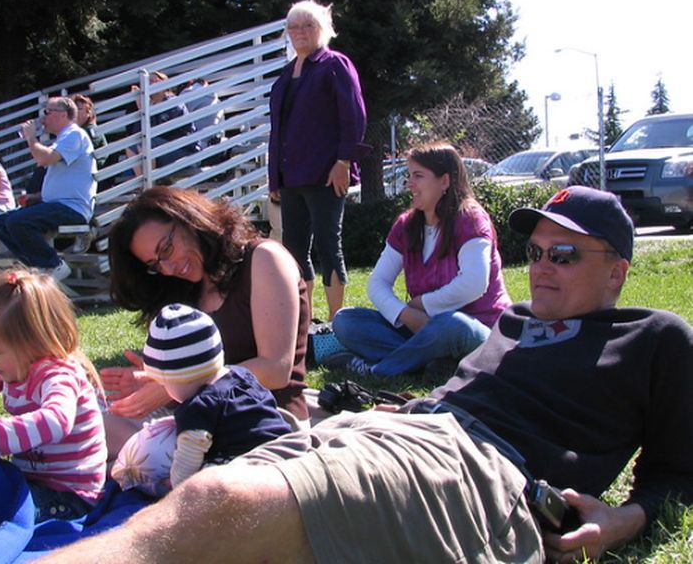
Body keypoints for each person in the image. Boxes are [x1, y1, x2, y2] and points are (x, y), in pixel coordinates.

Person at [40, 186, 693, 563]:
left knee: (226, 504)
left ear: (617, 269)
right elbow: (469, 394)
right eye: (537, 251)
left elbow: (679, 475)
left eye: (567, 254)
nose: (544, 265)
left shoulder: (656, 336)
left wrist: (623, 522)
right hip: (407, 433)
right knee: (217, 492)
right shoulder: (518, 319)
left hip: (485, 472)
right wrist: (397, 413)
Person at [101, 185, 309, 457]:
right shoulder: (185, 289)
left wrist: (167, 389)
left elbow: (275, 369)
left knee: (112, 443)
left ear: (190, 220)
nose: (168, 268)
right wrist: (155, 377)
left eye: (166, 249)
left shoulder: (264, 258)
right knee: (92, 420)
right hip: (200, 421)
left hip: (263, 422)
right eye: (155, 265)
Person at [329, 142, 511, 377]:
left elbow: (475, 283)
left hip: (474, 329)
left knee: (451, 324)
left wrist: (422, 305)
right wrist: (406, 315)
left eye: (418, 176)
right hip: (422, 329)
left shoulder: (471, 218)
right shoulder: (407, 225)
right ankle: (430, 363)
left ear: (444, 181)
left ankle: (378, 370)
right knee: (345, 320)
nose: (409, 184)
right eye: (409, 175)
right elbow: (377, 283)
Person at [0, 269, 107, 522]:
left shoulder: (59, 377)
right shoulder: (20, 366)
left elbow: (55, 421)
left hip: (69, 494)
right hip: (32, 480)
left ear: (33, 343)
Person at [268, 0, 367, 320]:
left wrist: (343, 162)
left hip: (327, 175)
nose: (299, 32)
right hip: (291, 178)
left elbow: (354, 116)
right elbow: (278, 131)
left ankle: (338, 322)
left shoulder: (335, 64)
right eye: (293, 27)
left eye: (307, 25)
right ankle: (305, 323)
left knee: (328, 245)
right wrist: (274, 179)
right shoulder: (285, 75)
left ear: (322, 29)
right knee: (295, 250)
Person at [128, 303, 291, 488]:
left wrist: (176, 489)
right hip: (286, 450)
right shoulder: (241, 375)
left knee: (205, 478)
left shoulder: (198, 407)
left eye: (164, 383)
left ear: (180, 378)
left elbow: (187, 462)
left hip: (252, 469)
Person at [0, 96, 96, 281]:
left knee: (18, 221)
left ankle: (52, 264)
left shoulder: (75, 134)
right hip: (58, 204)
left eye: (47, 112)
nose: (43, 118)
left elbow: (44, 159)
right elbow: (63, 182)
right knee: (1, 222)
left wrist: (31, 138)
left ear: (63, 115)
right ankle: (36, 266)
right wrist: (36, 197)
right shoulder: (63, 139)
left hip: (73, 208)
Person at [125, 71, 197, 177]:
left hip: (183, 151)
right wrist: (142, 110)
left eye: (155, 80)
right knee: (130, 144)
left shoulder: (172, 103)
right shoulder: (146, 105)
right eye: (148, 81)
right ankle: (144, 184)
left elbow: (163, 132)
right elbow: (137, 134)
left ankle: (150, 183)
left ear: (165, 85)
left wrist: (145, 109)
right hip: (161, 152)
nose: (150, 83)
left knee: (147, 141)